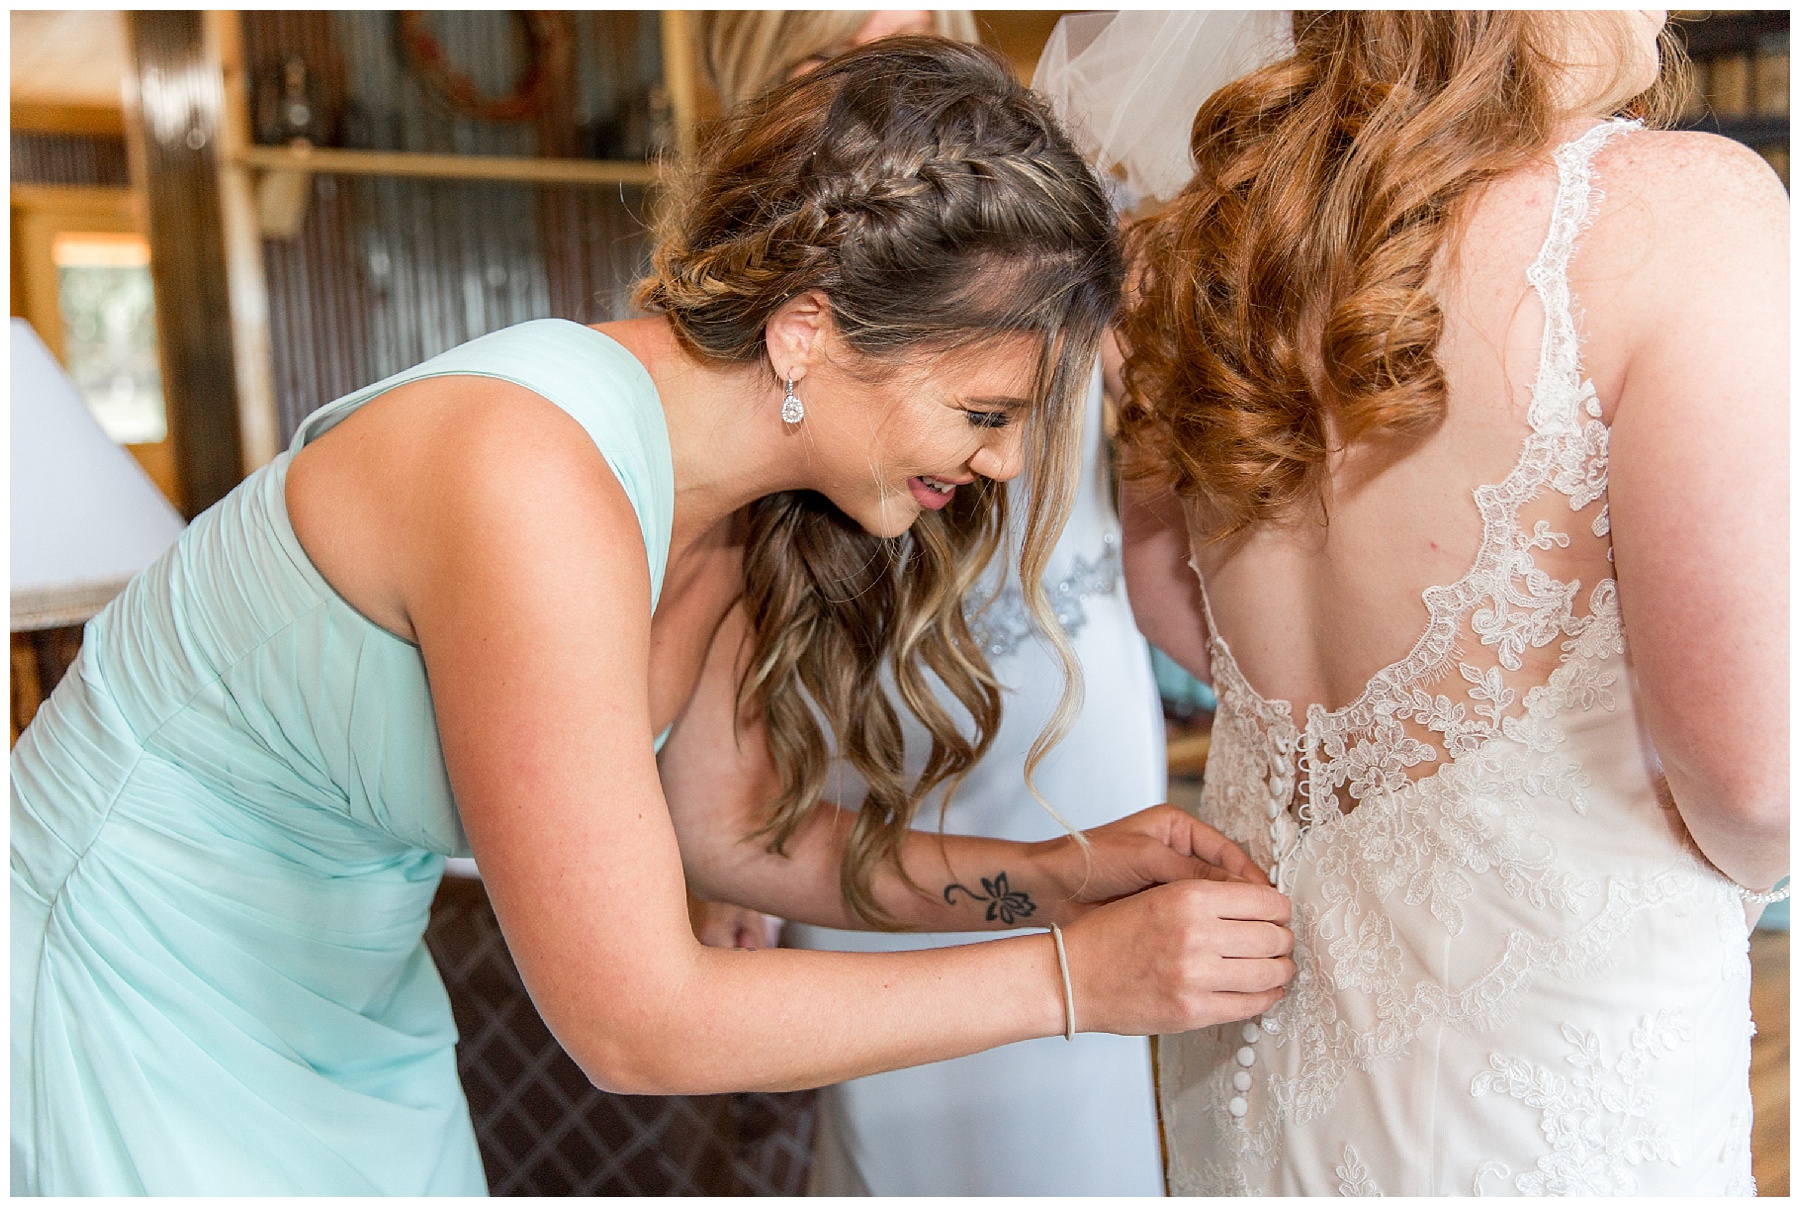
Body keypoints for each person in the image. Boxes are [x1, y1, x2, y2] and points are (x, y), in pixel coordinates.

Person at [11, 39, 1298, 1196]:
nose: (1010, 469)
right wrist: (1077, 981)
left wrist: (1071, 880)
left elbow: (736, 837)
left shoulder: (751, 508)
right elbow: (635, 1022)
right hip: (132, 964)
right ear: (808, 332)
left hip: (343, 990)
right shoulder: (528, 474)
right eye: (986, 415)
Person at [1118, 11, 1787, 1196]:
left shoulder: (1199, 240)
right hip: (1551, 1068)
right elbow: (1754, 783)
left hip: (1262, 1045)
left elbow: (1174, 606)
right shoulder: (1686, 219)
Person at [691, 11, 1169, 1195]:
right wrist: (713, 868)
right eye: (853, 78)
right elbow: (722, 785)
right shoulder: (745, 405)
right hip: (876, 771)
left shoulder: (1053, 268)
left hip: (1079, 741)